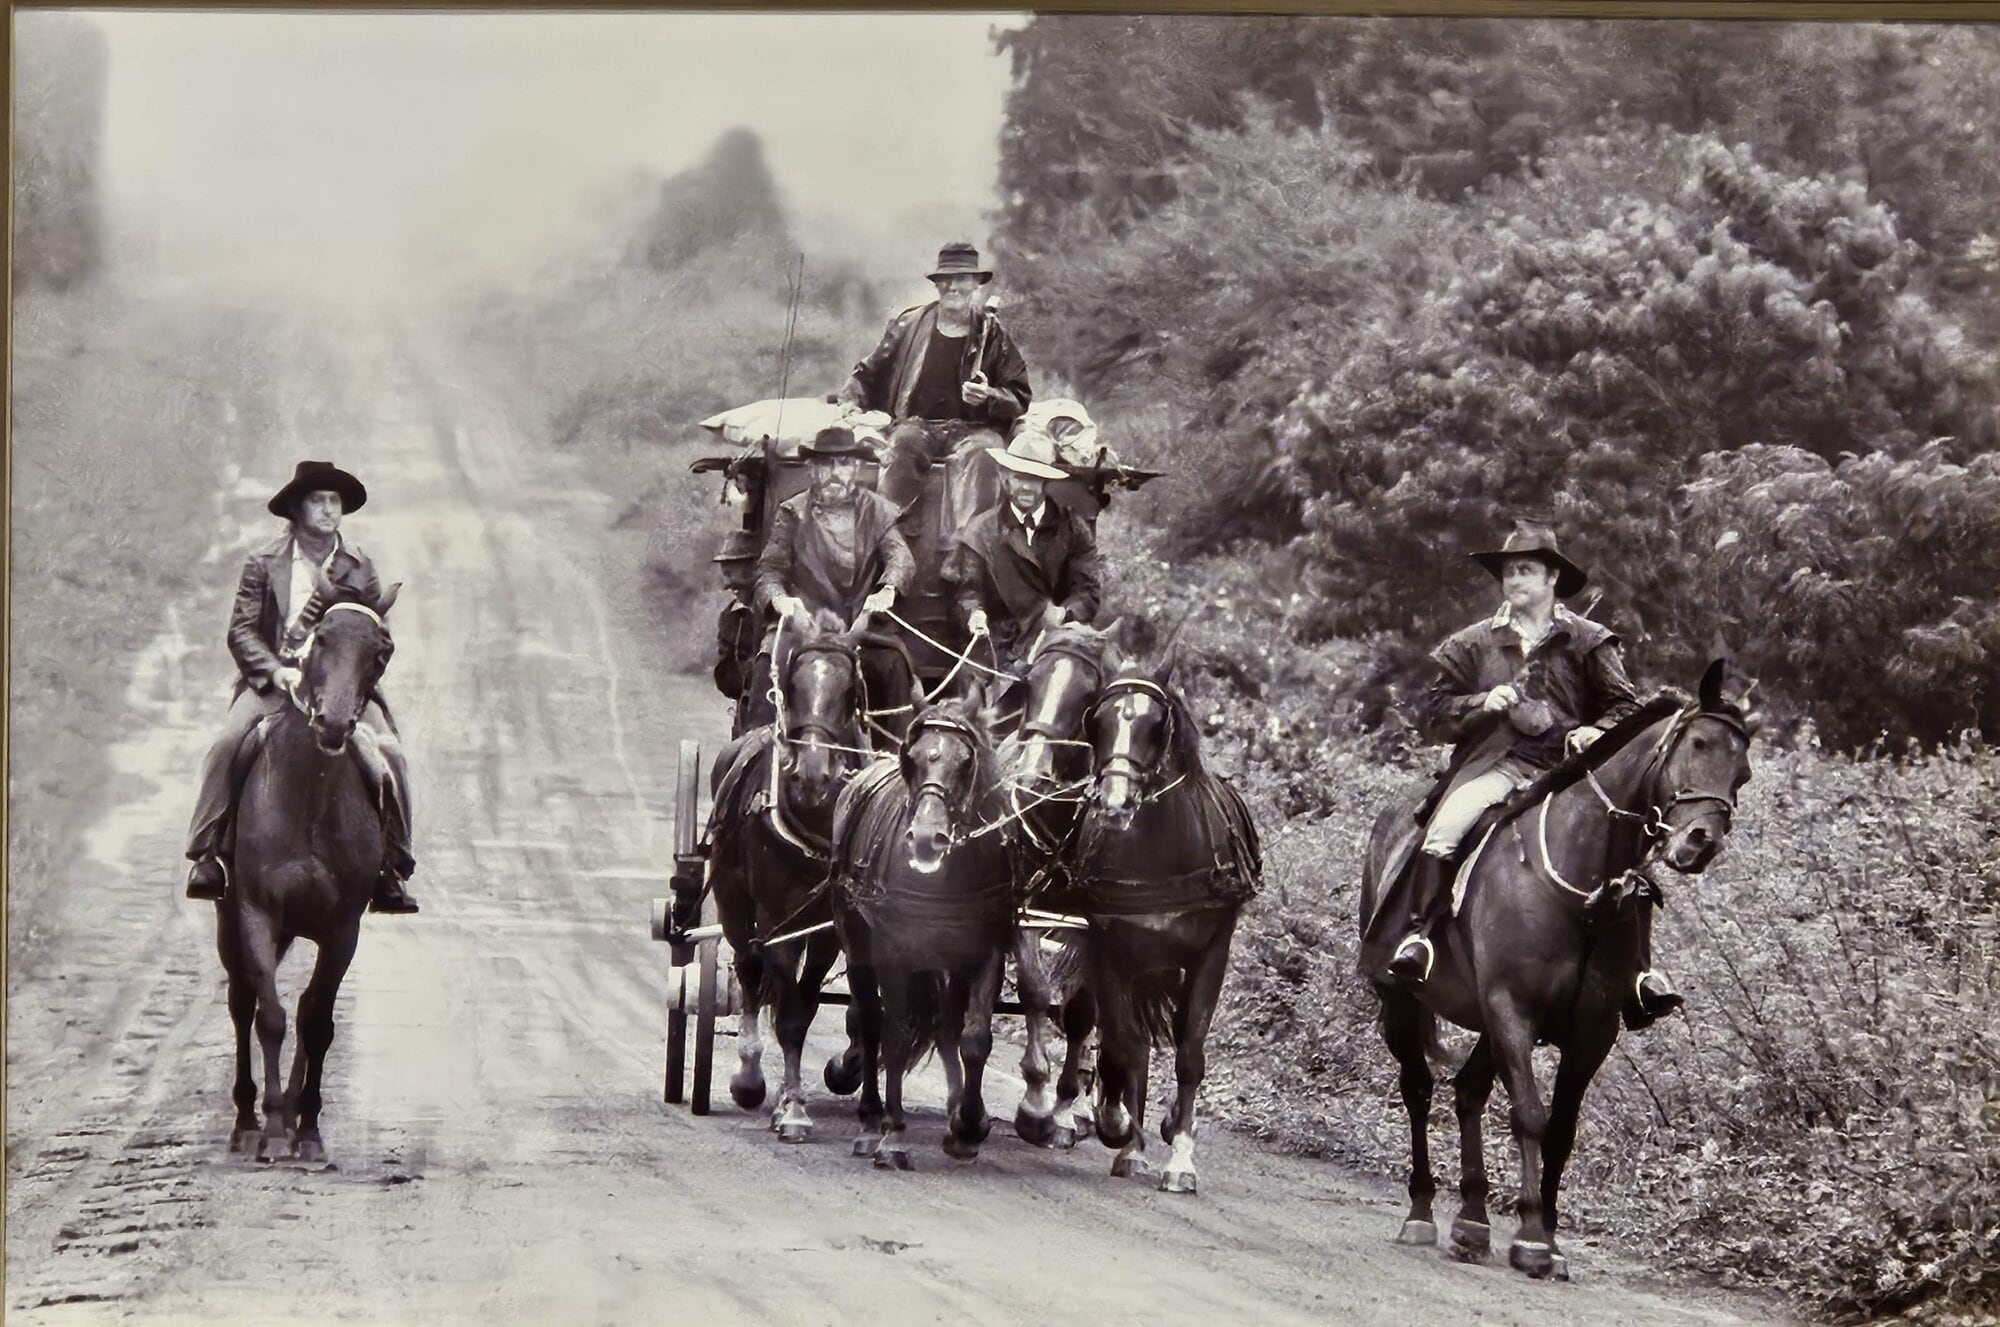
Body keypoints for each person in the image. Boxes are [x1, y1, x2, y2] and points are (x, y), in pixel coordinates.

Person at [1390, 519, 1680, 1024]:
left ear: (1552, 580)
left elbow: (1623, 708)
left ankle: (1640, 975)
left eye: (1525, 570)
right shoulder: (1472, 643)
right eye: (1507, 572)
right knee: (1446, 828)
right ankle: (1421, 938)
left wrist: (1596, 732)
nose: (1513, 580)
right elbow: (1434, 715)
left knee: (1629, 852)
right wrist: (1485, 701)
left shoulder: (1589, 639)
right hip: (1498, 768)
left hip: (1575, 774)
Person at [183, 460, 418, 914]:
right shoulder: (263, 563)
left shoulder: (360, 566)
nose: (329, 510)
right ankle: (207, 853)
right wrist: (276, 671)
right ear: (297, 508)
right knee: (228, 742)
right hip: (276, 681)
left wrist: (352, 681)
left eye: (335, 502)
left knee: (392, 754)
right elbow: (242, 632)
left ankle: (394, 865)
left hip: (339, 688)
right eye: (319, 501)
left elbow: (378, 640)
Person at [835, 242, 1031, 518]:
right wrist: (850, 403)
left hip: (975, 431)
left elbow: (1020, 397)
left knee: (987, 457)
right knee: (902, 446)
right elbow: (868, 373)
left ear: (976, 284)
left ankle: (969, 546)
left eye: (961, 279)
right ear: (937, 284)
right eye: (945, 279)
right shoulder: (910, 324)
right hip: (917, 427)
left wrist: (989, 396)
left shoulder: (993, 334)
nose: (953, 287)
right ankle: (890, 538)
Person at [745, 426, 916, 727]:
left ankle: (895, 759)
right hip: (804, 628)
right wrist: (781, 600)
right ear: (812, 469)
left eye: (844, 463)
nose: (836, 472)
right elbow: (768, 570)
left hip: (861, 629)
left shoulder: (879, 511)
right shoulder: (792, 512)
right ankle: (761, 749)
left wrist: (888, 588)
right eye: (826, 464)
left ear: (857, 468)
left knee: (894, 665)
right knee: (767, 659)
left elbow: (899, 557)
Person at [943, 430, 1102, 683]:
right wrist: (975, 614)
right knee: (976, 704)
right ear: (1005, 477)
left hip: (1055, 641)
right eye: (1019, 478)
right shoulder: (980, 531)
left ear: (1046, 482)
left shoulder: (1072, 528)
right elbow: (968, 592)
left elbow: (1088, 591)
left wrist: (1065, 614)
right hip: (997, 647)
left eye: (1035, 479)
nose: (1026, 487)